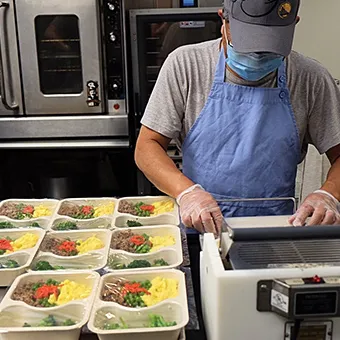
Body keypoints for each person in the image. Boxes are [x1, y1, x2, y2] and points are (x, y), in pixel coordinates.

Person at [135, 0, 340, 235]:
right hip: (201, 230)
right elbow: (146, 147)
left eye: (270, 47)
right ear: (223, 19)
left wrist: (328, 194)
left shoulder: (310, 79)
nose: (257, 55)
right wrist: (188, 194)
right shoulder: (186, 65)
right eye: (248, 43)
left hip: (278, 230)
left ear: (294, 24)